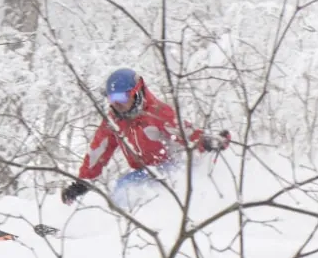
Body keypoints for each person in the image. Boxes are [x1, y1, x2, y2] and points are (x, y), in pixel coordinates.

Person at [61, 68, 230, 205]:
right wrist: (81, 184)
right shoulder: (113, 122)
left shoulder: (157, 112)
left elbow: (185, 133)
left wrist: (208, 141)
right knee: (122, 191)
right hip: (145, 171)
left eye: (122, 97)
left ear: (136, 93)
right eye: (112, 98)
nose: (117, 104)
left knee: (124, 188)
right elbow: (98, 152)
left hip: (170, 167)